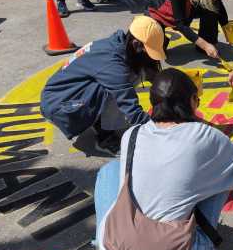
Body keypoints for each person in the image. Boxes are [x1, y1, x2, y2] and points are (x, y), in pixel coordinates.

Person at [93, 69, 233, 250]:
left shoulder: (132, 134)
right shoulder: (205, 135)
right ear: (191, 101)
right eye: (198, 99)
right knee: (225, 174)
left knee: (111, 170)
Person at [41, 16, 165, 155]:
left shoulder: (119, 44)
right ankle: (105, 137)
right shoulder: (112, 65)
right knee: (117, 89)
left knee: (135, 72)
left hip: (68, 92)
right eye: (147, 51)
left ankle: (98, 119)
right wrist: (163, 130)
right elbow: (131, 108)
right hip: (59, 104)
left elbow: (151, 72)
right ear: (136, 44)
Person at [148, 0, 231, 59]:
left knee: (211, 4)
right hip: (162, 8)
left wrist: (227, 29)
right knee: (155, 50)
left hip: (189, 1)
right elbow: (180, 24)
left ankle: (207, 40)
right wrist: (205, 45)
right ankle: (160, 39)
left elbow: (218, 5)